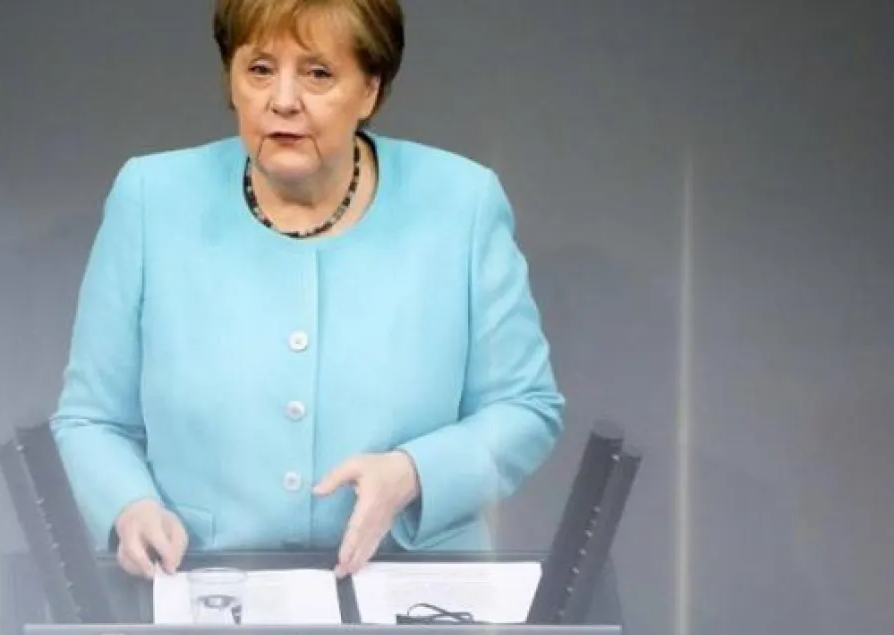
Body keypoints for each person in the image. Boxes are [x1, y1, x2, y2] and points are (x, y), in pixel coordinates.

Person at [51, 0, 564, 580]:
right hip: (205, 589)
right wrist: (130, 507)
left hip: (417, 592)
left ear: (370, 90)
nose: (284, 100)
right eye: (260, 70)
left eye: (318, 73)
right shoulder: (150, 198)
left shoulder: (462, 203)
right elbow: (93, 420)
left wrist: (413, 472)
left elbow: (525, 408)